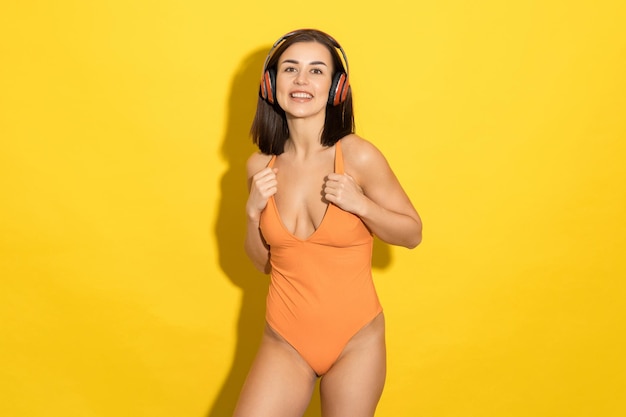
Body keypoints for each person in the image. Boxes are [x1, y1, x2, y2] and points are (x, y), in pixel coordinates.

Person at [233, 29, 422, 417]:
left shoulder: (357, 156)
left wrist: (362, 206)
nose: (302, 81)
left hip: (356, 342)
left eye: (317, 71)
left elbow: (412, 233)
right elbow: (262, 263)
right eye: (290, 69)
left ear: (336, 89)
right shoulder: (259, 167)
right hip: (284, 341)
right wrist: (252, 213)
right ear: (271, 84)